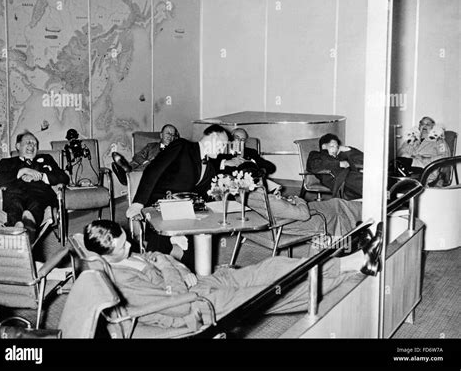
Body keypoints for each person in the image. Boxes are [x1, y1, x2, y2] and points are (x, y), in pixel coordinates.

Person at [83, 219, 379, 334]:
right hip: (197, 305)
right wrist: (176, 279)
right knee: (276, 291)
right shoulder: (120, 282)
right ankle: (354, 265)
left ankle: (350, 259)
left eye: (126, 240)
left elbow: (158, 257)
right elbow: (174, 304)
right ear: (105, 254)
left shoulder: (124, 256)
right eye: (123, 246)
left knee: (271, 267)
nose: (131, 245)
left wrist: (168, 268)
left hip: (202, 285)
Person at [126, 124, 229, 264]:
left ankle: (192, 274)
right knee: (159, 248)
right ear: (213, 137)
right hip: (160, 207)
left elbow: (207, 194)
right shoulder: (182, 146)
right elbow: (153, 170)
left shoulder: (210, 166)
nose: (223, 149)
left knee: (202, 241)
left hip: (186, 212)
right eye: (222, 144)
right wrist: (138, 203)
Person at [0, 131, 69, 242]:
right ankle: (19, 227)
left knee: (35, 203)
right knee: (14, 203)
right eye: (28, 142)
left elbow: (64, 177)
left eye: (35, 144)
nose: (32, 146)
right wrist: (22, 171)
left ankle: (27, 227)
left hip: (39, 194)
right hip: (15, 194)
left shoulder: (46, 159)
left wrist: (41, 176)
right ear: (18, 146)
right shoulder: (7, 162)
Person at [111, 124, 179, 185]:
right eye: (168, 133)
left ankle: (127, 173)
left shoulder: (176, 150)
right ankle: (127, 171)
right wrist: (146, 162)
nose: (170, 136)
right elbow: (137, 156)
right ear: (161, 135)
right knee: (140, 165)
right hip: (146, 171)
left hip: (163, 173)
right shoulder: (151, 146)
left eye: (172, 134)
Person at [307, 133, 364, 200]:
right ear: (324, 146)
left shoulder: (339, 156)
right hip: (341, 181)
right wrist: (338, 164)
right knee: (371, 187)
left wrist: (348, 149)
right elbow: (313, 165)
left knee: (373, 182)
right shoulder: (316, 154)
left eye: (337, 147)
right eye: (332, 146)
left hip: (352, 178)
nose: (335, 150)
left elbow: (365, 160)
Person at [397, 116, 449, 183]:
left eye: (428, 124)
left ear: (433, 127)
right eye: (422, 124)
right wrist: (409, 148)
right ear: (419, 126)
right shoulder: (413, 139)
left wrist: (425, 159)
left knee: (399, 164)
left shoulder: (438, 140)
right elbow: (399, 152)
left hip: (427, 169)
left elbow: (445, 156)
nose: (424, 126)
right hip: (410, 166)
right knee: (395, 163)